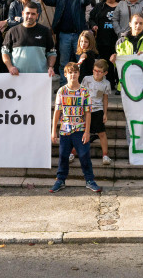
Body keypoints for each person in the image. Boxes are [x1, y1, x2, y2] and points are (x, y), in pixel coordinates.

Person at [50, 61, 101, 193]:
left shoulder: (84, 91)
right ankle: (60, 180)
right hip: (65, 130)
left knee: (84, 155)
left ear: (79, 74)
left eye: (75, 72)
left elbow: (88, 113)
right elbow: (57, 112)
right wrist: (53, 131)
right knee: (63, 156)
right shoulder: (62, 91)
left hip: (80, 129)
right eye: (70, 72)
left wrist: (87, 132)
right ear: (65, 74)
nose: (73, 75)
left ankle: (90, 180)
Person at [35, 0, 93, 86]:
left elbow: (86, 1)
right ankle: (63, 86)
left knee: (80, 61)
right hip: (64, 35)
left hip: (78, 36)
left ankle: (80, 86)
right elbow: (47, 1)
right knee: (63, 63)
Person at [2, 3, 57, 77]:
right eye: (27, 13)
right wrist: (10, 67)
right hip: (17, 77)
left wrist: (50, 67)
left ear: (37, 15)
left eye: (33, 14)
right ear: (22, 13)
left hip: (40, 78)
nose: (30, 16)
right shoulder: (12, 31)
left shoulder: (45, 31)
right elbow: (5, 52)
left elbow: (51, 53)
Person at [82, 59, 112, 166]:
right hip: (86, 109)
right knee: (82, 132)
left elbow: (105, 99)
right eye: (95, 70)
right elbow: (81, 93)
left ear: (105, 73)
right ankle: (73, 152)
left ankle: (105, 155)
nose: (96, 73)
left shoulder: (106, 83)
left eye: (99, 71)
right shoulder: (86, 79)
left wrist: (105, 113)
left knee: (102, 133)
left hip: (98, 109)